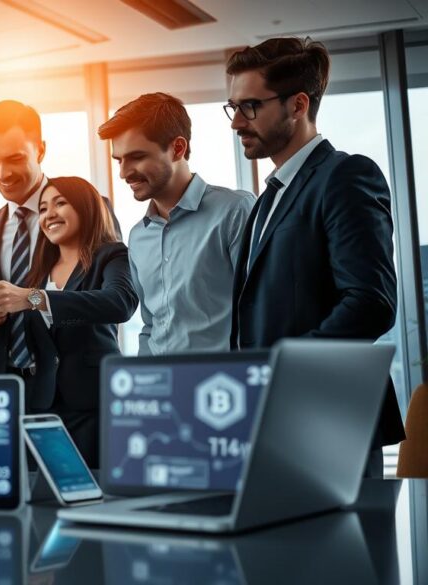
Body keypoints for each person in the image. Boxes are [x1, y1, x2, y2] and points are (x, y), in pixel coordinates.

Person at [225, 37, 405, 476]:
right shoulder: (267, 199)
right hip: (270, 420)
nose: (237, 123)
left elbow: (371, 303)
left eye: (250, 107)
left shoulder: (345, 176)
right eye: (233, 108)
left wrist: (281, 371)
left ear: (297, 105)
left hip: (328, 417)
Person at [0, 100, 120, 385]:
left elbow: (110, 302)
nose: (2, 174)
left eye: (15, 158)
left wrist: (30, 298)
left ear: (40, 149)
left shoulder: (89, 210)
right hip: (9, 383)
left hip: (78, 387)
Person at [0, 177, 137, 466]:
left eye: (61, 203)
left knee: (93, 490)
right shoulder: (40, 269)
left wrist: (35, 299)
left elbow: (119, 303)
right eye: (44, 208)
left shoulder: (111, 255)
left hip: (90, 402)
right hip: (40, 402)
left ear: (85, 208)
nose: (49, 215)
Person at [98, 92, 255, 355]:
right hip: (162, 389)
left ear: (177, 148)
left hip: (224, 387)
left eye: (136, 157)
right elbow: (150, 326)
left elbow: (258, 309)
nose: (124, 172)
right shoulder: (138, 236)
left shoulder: (235, 211)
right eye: (119, 160)